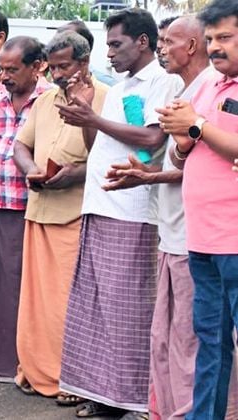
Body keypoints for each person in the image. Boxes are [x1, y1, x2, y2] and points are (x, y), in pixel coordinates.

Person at [56, 8, 182, 418]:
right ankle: (104, 394)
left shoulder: (163, 82)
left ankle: (136, 401)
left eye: (115, 44)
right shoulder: (120, 86)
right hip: (99, 205)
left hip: (132, 211)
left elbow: (151, 138)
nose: (108, 53)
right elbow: (98, 148)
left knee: (129, 310)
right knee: (97, 309)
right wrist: (86, 112)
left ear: (143, 42)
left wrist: (93, 116)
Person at [104, 16, 213, 419]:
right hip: (171, 230)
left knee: (190, 336)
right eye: (162, 41)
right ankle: (167, 409)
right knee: (166, 334)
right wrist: (145, 174)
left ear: (192, 46)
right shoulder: (181, 89)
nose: (162, 49)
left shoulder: (210, 92)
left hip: (197, 234)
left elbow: (205, 167)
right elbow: (167, 156)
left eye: (170, 41)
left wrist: (147, 176)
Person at [10, 30, 108, 403]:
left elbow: (107, 158)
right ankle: (38, 370)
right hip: (40, 211)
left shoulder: (104, 98)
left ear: (84, 63)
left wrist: (76, 173)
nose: (56, 74)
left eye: (64, 66)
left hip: (78, 214)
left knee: (71, 304)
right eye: (52, 67)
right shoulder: (45, 100)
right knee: (38, 303)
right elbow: (21, 144)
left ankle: (74, 378)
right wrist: (31, 169)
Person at [158, 1, 238, 417]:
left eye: (224, 37)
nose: (215, 48)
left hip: (236, 240)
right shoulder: (207, 84)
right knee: (211, 340)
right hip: (203, 239)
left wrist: (196, 127)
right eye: (210, 40)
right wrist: (185, 138)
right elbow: (178, 155)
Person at [0, 36, 51, 382]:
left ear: (38, 67)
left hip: (30, 203)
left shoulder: (48, 99)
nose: (4, 76)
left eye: (12, 69)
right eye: (1, 69)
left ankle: (27, 361)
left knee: (24, 285)